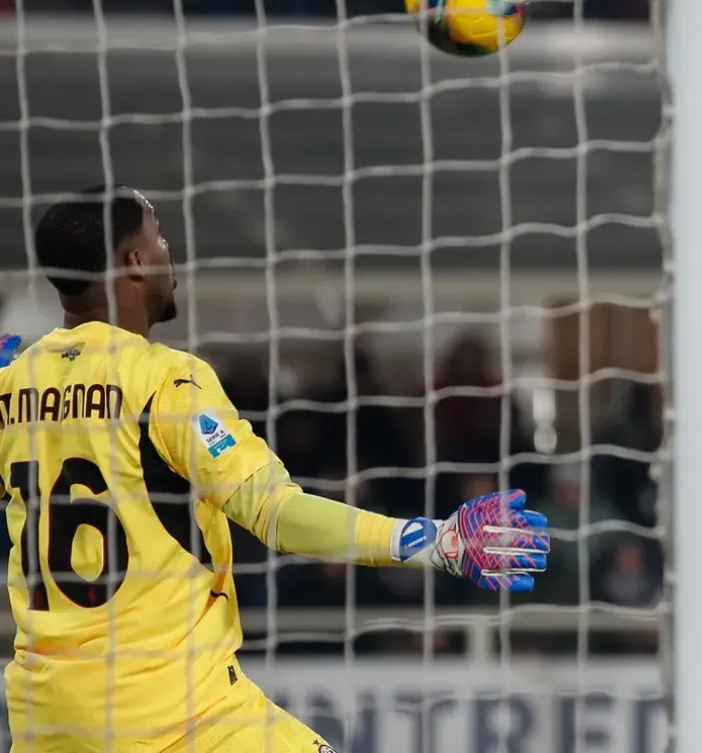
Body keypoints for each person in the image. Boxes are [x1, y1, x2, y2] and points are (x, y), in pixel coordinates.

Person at [2, 186, 550, 751]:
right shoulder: (164, 381)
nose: (170, 253)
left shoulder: (15, 381)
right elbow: (275, 513)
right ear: (135, 263)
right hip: (175, 715)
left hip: (46, 719)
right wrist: (437, 541)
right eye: (158, 236)